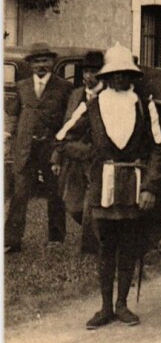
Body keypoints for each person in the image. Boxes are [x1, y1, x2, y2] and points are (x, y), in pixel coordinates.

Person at [54, 43, 161, 329]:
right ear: (108, 75)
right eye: (116, 73)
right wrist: (91, 155)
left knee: (129, 245)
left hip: (133, 187)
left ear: (133, 75)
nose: (121, 79)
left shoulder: (144, 104)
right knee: (105, 246)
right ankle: (105, 307)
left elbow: (160, 147)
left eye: (126, 73)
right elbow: (62, 138)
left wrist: (150, 187)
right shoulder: (92, 104)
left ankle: (122, 305)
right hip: (101, 188)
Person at [5, 42, 72, 254]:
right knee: (19, 193)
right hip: (25, 148)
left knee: (55, 193)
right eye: (36, 61)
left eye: (45, 60)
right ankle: (11, 240)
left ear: (52, 62)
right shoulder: (22, 86)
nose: (41, 65)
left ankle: (56, 238)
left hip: (51, 148)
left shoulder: (64, 87)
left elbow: (68, 120)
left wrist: (60, 149)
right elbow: (14, 116)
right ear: (31, 64)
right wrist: (7, 138)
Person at [51, 50, 105, 255]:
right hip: (74, 157)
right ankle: (96, 234)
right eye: (86, 71)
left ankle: (96, 247)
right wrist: (57, 157)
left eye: (94, 72)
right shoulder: (76, 95)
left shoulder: (107, 96)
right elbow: (66, 126)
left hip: (96, 159)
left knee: (94, 203)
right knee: (73, 205)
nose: (89, 77)